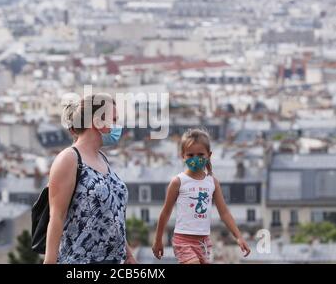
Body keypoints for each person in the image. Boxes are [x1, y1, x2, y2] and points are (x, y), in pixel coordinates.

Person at [44, 93, 137, 264]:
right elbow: (56, 216)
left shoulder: (102, 158)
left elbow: (112, 214)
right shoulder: (69, 159)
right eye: (113, 119)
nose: (118, 126)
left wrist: (128, 254)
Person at [152, 128, 251, 264]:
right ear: (183, 156)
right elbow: (165, 212)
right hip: (183, 240)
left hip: (204, 241)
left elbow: (224, 213)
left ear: (209, 155)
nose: (195, 159)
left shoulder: (212, 182)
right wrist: (158, 240)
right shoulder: (178, 181)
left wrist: (238, 237)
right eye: (190, 155)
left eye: (200, 155)